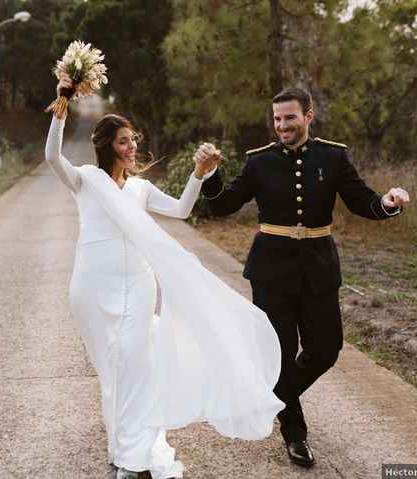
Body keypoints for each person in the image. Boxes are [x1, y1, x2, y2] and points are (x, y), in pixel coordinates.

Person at [45, 75, 285, 479]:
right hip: (91, 286)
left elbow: (179, 210)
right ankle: (121, 444)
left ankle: (131, 457)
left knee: (137, 366)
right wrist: (62, 104)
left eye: (133, 139)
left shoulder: (139, 188)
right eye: (124, 141)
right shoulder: (86, 180)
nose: (132, 146)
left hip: (138, 286)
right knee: (112, 369)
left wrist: (198, 173)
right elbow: (52, 156)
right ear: (107, 147)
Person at [194, 87, 410, 469]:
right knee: (277, 355)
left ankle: (268, 400)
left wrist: (388, 204)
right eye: (277, 119)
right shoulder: (259, 162)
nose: (282, 126)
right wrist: (210, 175)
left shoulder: (333, 156)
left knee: (326, 349)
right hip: (271, 271)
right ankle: (295, 434)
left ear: (309, 117)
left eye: (289, 118)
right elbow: (223, 205)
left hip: (319, 268)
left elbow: (363, 202)